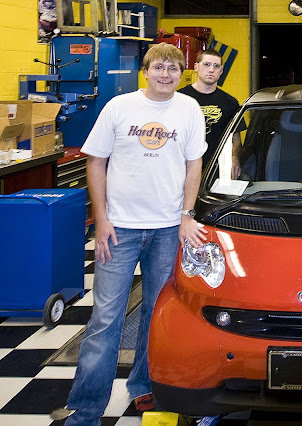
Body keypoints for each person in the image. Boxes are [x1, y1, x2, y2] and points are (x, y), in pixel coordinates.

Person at [64, 43, 207, 425]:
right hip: (119, 230)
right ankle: (86, 410)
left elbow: (194, 165)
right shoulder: (119, 107)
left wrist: (186, 216)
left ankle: (143, 385)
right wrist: (102, 219)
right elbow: (96, 162)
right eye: (159, 67)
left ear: (181, 74)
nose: (166, 74)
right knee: (105, 319)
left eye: (173, 69)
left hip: (167, 229)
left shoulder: (189, 109)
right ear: (145, 71)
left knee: (156, 315)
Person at [179, 49, 244, 176]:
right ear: (196, 67)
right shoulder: (180, 98)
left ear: (221, 71)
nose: (211, 70)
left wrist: (235, 158)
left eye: (216, 66)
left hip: (214, 172)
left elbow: (236, 139)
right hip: (182, 168)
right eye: (207, 64)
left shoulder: (230, 103)